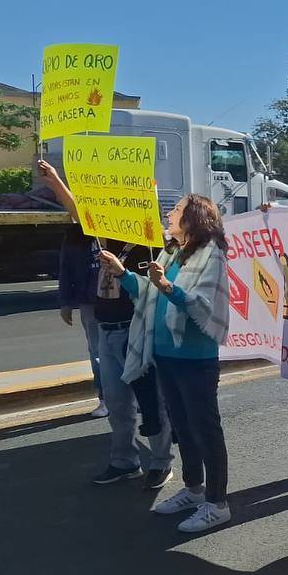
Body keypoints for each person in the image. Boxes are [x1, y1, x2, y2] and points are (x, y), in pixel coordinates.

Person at [100, 194, 232, 533]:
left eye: (175, 210)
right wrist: (122, 273)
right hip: (166, 355)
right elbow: (149, 291)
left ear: (193, 218)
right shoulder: (172, 251)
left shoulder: (211, 254)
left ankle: (217, 504)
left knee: (205, 430)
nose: (168, 214)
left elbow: (203, 305)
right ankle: (193, 490)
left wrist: (168, 286)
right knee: (182, 428)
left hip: (194, 359)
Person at [40, 161, 174, 489]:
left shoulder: (151, 240)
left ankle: (160, 462)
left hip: (137, 332)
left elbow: (158, 287)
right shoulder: (101, 235)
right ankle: (124, 460)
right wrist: (55, 180)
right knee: (116, 402)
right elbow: (75, 208)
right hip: (107, 329)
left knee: (151, 402)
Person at [57, 223, 107, 418]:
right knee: (97, 352)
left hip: (121, 300)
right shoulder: (74, 235)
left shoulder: (113, 227)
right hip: (90, 301)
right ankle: (105, 398)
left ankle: (130, 396)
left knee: (125, 349)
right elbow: (66, 269)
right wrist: (65, 303)